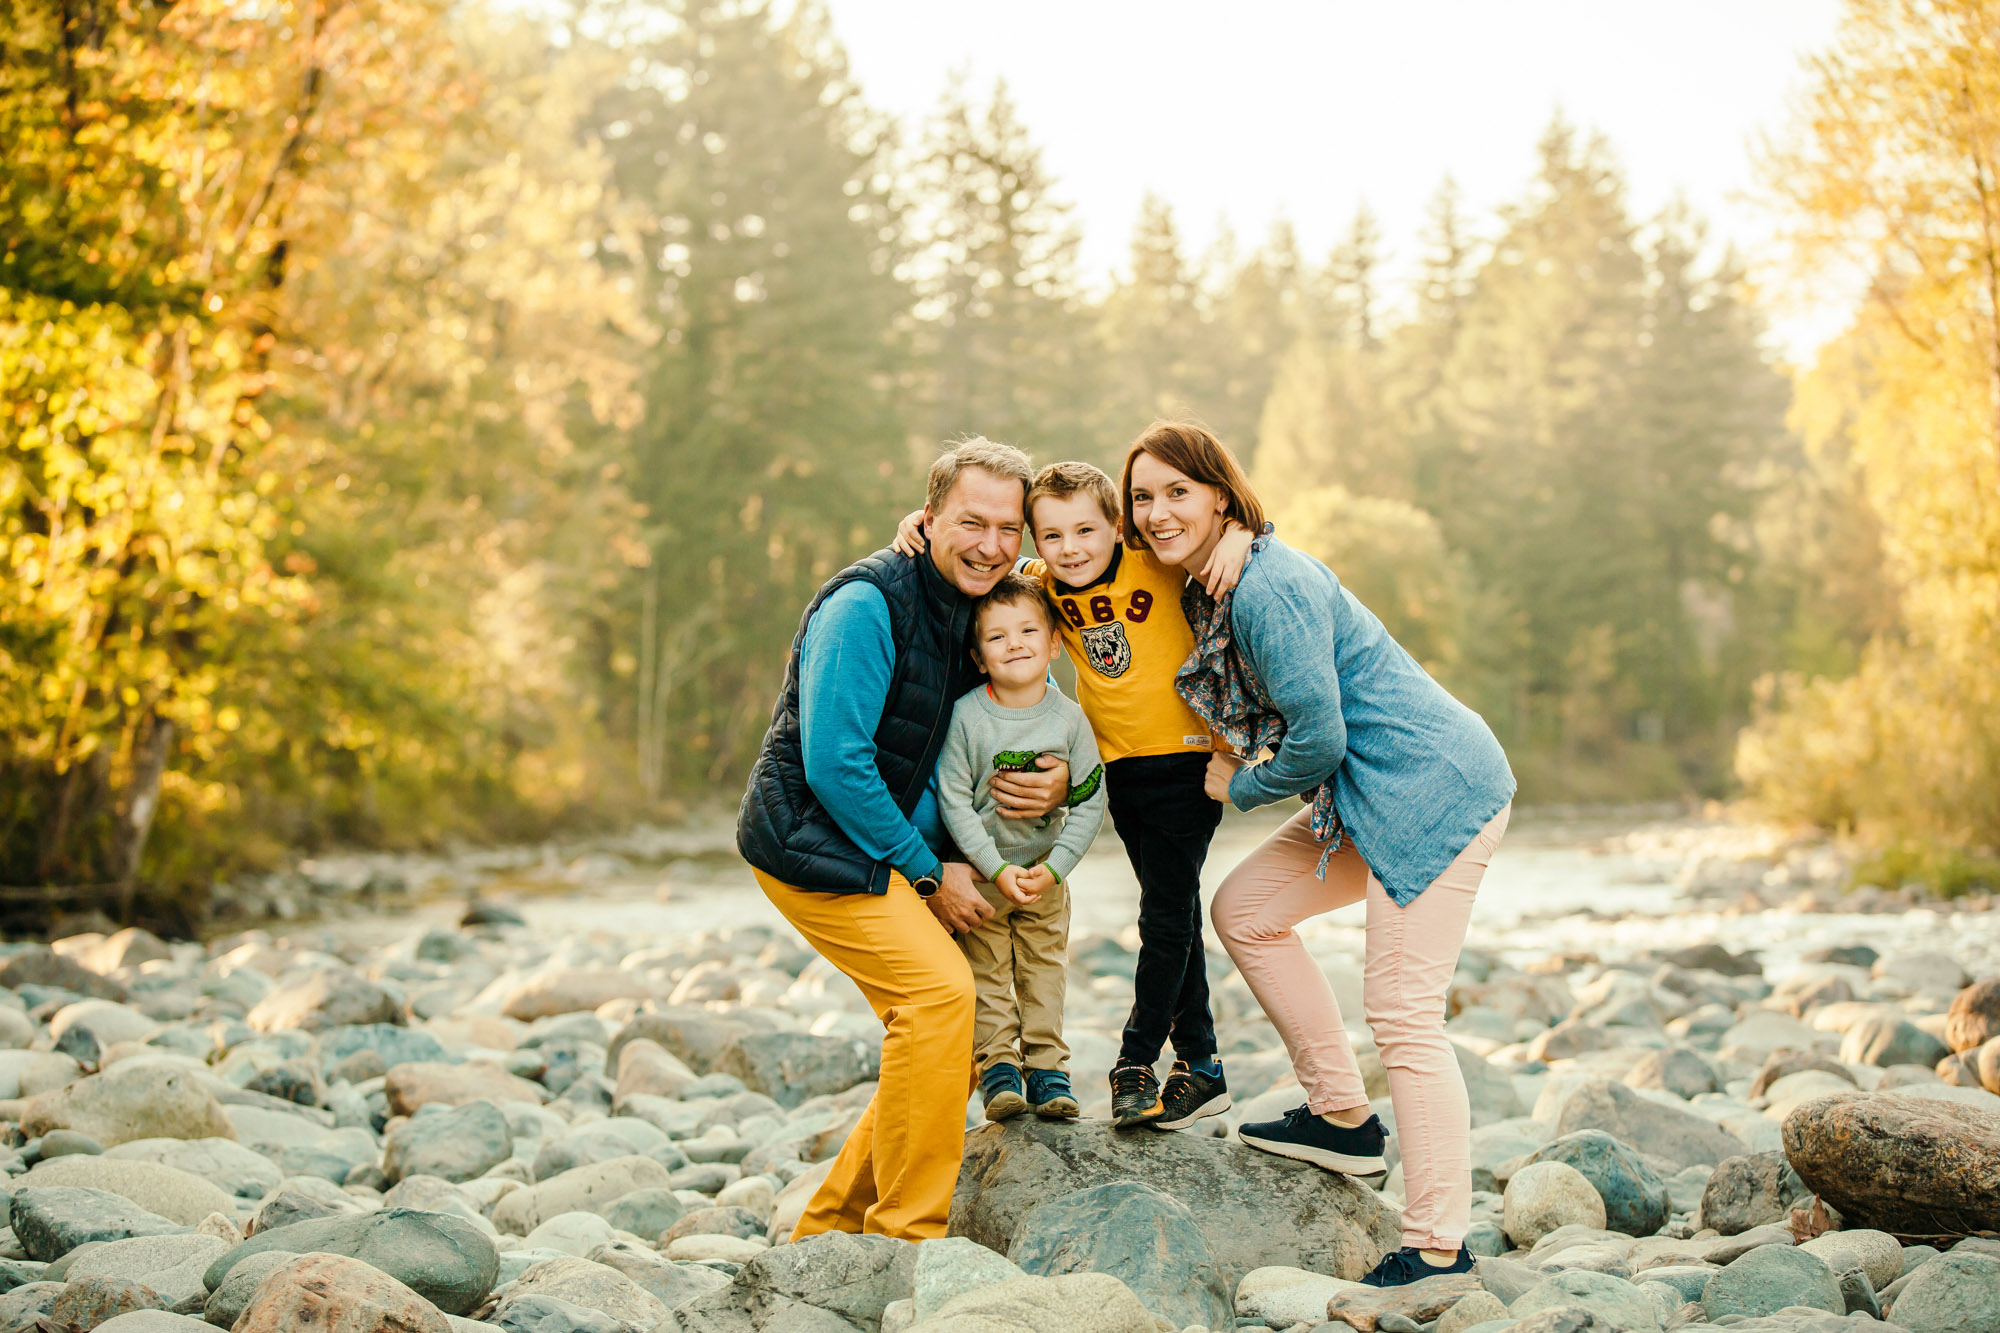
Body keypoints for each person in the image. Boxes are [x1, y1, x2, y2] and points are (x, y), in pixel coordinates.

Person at [1122, 420, 1516, 1289]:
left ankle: (1439, 1247)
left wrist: (1244, 786)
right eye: (1142, 498)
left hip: (1434, 788)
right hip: (1364, 800)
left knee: (1405, 1016)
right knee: (1245, 910)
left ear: (1219, 492)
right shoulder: (1216, 575)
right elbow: (1071, 564)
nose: (1156, 513)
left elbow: (1322, 738)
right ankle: (1342, 1115)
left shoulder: (1265, 587)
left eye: (1176, 492)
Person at [735, 437, 1071, 1242]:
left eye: (1008, 529)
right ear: (928, 518)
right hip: (814, 844)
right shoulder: (866, 605)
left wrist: (1057, 777)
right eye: (970, 522)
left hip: (894, 852)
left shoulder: (986, 606)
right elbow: (836, 764)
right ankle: (907, 1236)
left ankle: (826, 1231)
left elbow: (1031, 706)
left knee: (949, 1029)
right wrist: (931, 871)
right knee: (940, 997)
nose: (991, 544)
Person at [893, 461, 1251, 1130]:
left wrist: (1241, 533)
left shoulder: (1155, 563)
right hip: (1120, 770)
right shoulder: (1040, 584)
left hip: (1186, 761)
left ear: (1118, 528)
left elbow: (1208, 534)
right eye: (1051, 536)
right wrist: (922, 525)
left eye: (1087, 530)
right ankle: (1202, 1061)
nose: (1071, 548)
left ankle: (1135, 1059)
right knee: (1174, 914)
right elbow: (983, 562)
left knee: (1165, 920)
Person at [935, 572, 1108, 1122]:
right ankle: (1000, 1071)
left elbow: (1088, 799)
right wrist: (989, 865)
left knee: (1043, 972)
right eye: (998, 637)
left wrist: (1056, 869)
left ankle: (1048, 1070)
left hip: (1043, 877)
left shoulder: (1070, 719)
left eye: (1028, 630)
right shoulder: (966, 716)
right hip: (983, 879)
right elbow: (955, 802)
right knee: (985, 973)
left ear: (1055, 642)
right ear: (979, 657)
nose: (1015, 644)